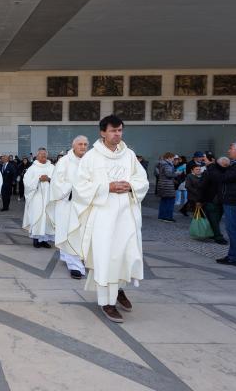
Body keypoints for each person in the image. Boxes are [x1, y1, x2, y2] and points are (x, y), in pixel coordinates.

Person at [72, 115, 149, 323]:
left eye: (120, 130)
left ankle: (119, 288)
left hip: (126, 214)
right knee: (106, 256)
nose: (117, 134)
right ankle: (107, 301)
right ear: (102, 132)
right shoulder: (91, 157)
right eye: (113, 130)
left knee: (125, 253)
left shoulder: (129, 155)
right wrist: (108, 187)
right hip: (103, 215)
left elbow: (142, 179)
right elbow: (80, 187)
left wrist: (130, 185)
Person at [51, 136, 89, 279]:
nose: (83, 147)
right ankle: (75, 265)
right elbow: (56, 183)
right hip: (68, 203)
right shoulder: (64, 162)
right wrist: (73, 189)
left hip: (85, 204)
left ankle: (71, 257)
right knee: (70, 232)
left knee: (82, 233)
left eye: (85, 144)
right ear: (73, 146)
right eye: (80, 144)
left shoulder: (89, 161)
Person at [23, 148, 56, 248]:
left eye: (45, 155)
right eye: (41, 155)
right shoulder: (32, 168)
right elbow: (27, 182)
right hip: (36, 198)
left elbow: (58, 181)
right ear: (37, 156)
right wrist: (38, 179)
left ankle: (44, 240)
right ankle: (36, 239)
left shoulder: (52, 167)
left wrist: (49, 179)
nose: (43, 156)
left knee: (47, 218)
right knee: (37, 217)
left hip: (49, 198)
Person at [200, 157, 230, 244]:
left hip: (220, 199)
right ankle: (218, 236)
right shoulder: (211, 172)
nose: (227, 166)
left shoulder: (224, 171)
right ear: (222, 164)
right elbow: (202, 187)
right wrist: (199, 200)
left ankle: (213, 233)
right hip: (211, 199)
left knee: (216, 218)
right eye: (226, 165)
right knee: (214, 218)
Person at [156, 152, 178, 222]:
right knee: (170, 201)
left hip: (163, 185)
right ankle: (168, 217)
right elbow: (168, 174)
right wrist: (176, 173)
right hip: (167, 186)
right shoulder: (167, 164)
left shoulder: (162, 163)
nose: (173, 159)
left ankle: (161, 216)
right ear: (169, 157)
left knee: (164, 201)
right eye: (172, 158)